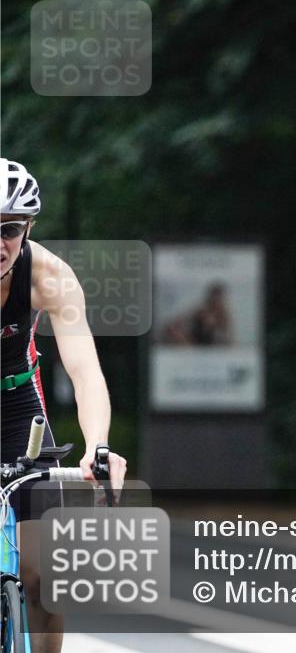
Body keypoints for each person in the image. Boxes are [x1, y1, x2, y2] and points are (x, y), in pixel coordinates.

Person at [0, 158, 128, 653]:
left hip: (17, 412)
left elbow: (85, 372)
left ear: (28, 227)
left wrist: (99, 447)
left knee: (44, 580)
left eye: (10, 229)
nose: (0, 242)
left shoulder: (49, 276)